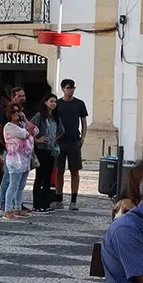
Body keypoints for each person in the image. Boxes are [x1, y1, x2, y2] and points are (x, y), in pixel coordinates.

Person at [53, 79, 88, 211]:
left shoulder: (79, 104)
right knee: (59, 171)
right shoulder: (58, 104)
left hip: (74, 140)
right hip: (60, 141)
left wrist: (83, 138)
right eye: (68, 88)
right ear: (62, 89)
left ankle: (73, 200)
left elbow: (84, 121)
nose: (70, 90)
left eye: (72, 88)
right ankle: (58, 199)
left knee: (75, 171)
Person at [30, 94, 62, 212]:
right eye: (51, 101)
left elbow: (61, 130)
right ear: (45, 102)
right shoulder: (39, 116)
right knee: (40, 176)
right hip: (41, 149)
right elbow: (30, 128)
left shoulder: (55, 117)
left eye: (55, 101)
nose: (53, 103)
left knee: (48, 177)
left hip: (51, 150)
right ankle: (37, 204)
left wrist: (54, 139)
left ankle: (46, 203)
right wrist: (37, 139)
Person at [0, 105, 32, 219]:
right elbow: (27, 134)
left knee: (21, 186)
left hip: (25, 159)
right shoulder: (9, 127)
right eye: (14, 112)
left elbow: (35, 130)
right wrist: (29, 130)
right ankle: (7, 210)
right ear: (9, 114)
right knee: (13, 185)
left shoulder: (22, 125)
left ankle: (17, 208)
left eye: (18, 111)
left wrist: (26, 120)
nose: (17, 113)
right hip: (15, 160)